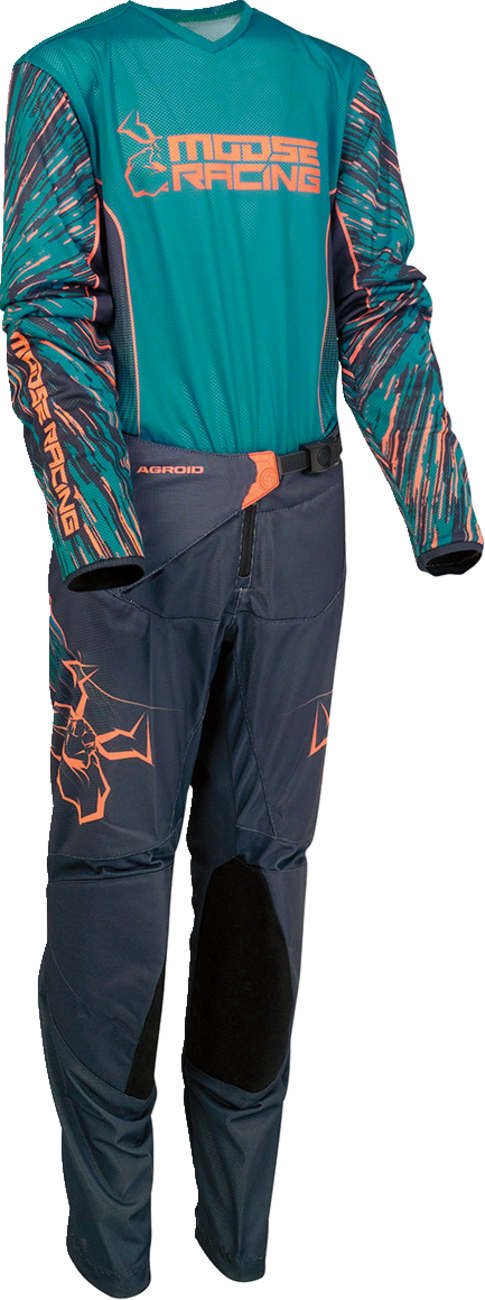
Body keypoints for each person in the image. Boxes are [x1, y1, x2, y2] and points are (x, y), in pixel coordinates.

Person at [1, 3, 482, 1295]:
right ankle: (112, 1251)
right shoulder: (71, 74)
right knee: (113, 873)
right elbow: (42, 303)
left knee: (265, 870)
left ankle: (237, 1240)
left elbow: (387, 297)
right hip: (140, 530)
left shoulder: (336, 82)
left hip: (306, 530)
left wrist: (436, 498)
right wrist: (93, 517)